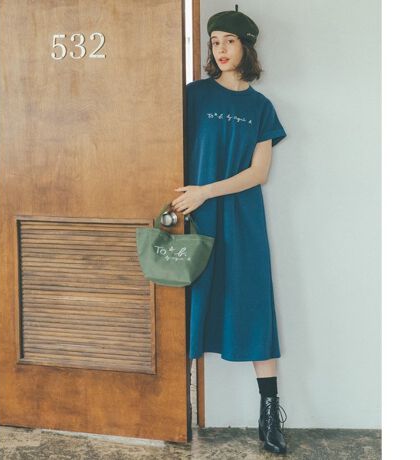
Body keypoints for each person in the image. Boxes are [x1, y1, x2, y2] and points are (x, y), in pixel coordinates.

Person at [171, 6, 288, 454]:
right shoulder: (194, 95)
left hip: (242, 219)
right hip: (195, 219)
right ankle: (173, 407)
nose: (220, 49)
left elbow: (259, 173)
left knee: (253, 306)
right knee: (188, 305)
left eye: (230, 41)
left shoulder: (260, 107)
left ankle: (269, 414)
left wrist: (206, 190)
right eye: (215, 41)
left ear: (247, 46)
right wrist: (192, 197)